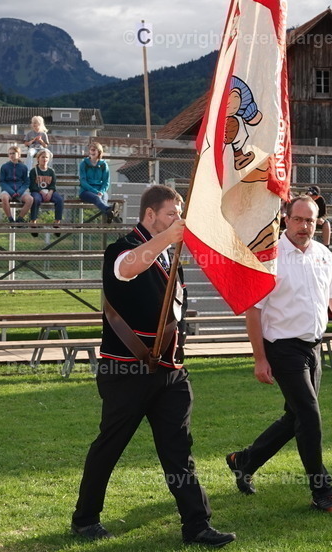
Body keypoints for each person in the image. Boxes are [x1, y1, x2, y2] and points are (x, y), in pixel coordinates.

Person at [72, 185, 235, 547]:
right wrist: (167, 240)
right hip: (125, 371)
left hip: (169, 373)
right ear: (149, 215)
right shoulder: (122, 248)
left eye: (178, 214)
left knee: (179, 451)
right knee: (109, 447)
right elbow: (128, 268)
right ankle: (85, 519)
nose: (177, 220)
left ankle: (197, 524)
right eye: (170, 214)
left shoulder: (167, 255)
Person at [225, 195, 332, 514]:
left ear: (318, 222)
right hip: (281, 348)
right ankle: (323, 492)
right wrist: (260, 358)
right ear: (285, 218)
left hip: (312, 347)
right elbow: (253, 312)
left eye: (311, 220)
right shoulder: (269, 256)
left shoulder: (323, 254)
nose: (304, 225)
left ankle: (244, 460)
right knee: (309, 416)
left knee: (295, 417)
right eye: (298, 219)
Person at [78, 143, 120, 223]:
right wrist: (96, 192)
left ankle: (110, 213)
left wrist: (102, 191)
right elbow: (83, 181)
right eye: (91, 150)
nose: (92, 152)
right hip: (86, 191)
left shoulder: (104, 165)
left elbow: (106, 182)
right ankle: (111, 212)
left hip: (101, 190)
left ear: (99, 152)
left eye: (94, 150)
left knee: (104, 198)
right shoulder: (83, 164)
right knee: (97, 198)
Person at [29, 148, 64, 232]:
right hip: (37, 191)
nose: (45, 159)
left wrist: (50, 193)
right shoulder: (34, 171)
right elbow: (32, 185)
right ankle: (33, 221)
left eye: (46, 157)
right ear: (38, 159)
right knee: (36, 199)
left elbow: (53, 185)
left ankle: (57, 222)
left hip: (49, 191)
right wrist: (41, 192)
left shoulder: (51, 171)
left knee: (59, 200)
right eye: (42, 157)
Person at [0, 146, 34, 223]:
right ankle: (10, 219)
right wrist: (11, 192)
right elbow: (2, 181)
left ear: (19, 154)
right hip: (8, 190)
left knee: (30, 199)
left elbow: (26, 182)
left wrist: (20, 192)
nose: (11, 155)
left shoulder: (24, 167)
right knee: (4, 197)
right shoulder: (4, 167)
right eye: (10, 154)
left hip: (19, 190)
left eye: (13, 153)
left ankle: (20, 219)